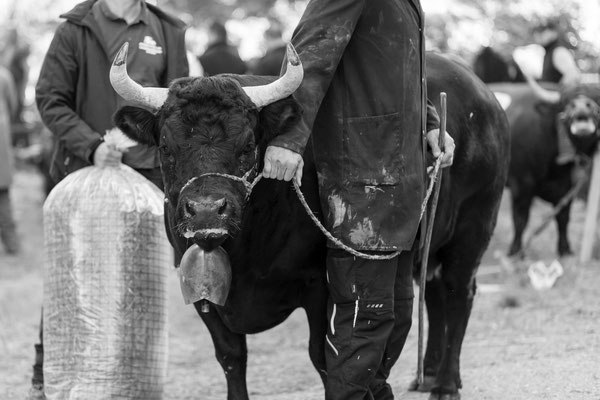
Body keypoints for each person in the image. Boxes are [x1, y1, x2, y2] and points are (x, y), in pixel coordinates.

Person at [260, 1, 455, 399]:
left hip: (401, 178)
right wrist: (288, 139)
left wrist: (431, 125)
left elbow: (400, 74)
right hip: (360, 179)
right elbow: (309, 57)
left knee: (396, 313)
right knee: (365, 316)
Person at [26, 0, 189, 398]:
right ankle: (47, 375)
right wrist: (90, 146)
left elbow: (180, 105)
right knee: (77, 275)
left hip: (149, 176)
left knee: (139, 283)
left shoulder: (168, 29)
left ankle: (131, 377)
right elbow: (50, 97)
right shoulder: (76, 29)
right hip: (87, 172)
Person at [532, 18, 582, 164]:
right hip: (550, 97)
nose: (538, 35)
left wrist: (558, 94)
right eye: (537, 32)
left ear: (552, 32)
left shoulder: (558, 51)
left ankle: (568, 152)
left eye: (542, 31)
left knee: (561, 116)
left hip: (560, 98)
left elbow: (573, 75)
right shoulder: (548, 52)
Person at [0, 62, 20, 255]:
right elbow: (13, 105)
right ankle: (11, 245)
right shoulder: (4, 76)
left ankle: (12, 244)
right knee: (3, 195)